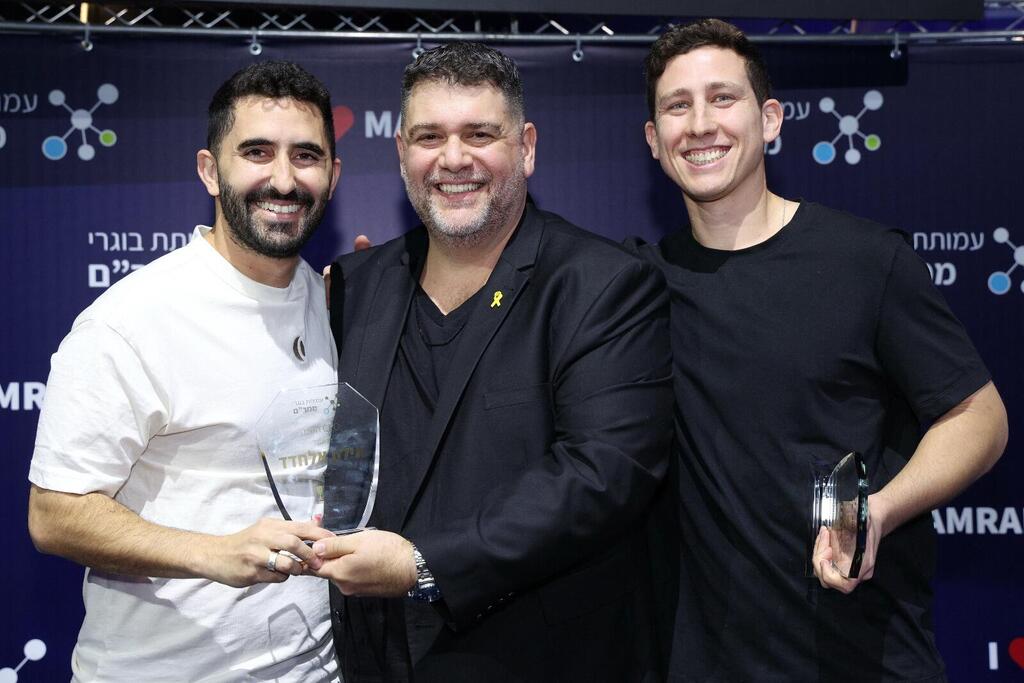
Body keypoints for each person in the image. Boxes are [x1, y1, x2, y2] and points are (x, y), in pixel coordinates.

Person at [637, 19, 1009, 682]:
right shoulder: (632, 288)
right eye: (677, 105)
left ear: (771, 119)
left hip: (865, 657)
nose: (700, 123)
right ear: (654, 142)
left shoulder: (867, 261)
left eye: (723, 98)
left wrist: (879, 512)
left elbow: (980, 418)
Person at [313, 42, 673, 681]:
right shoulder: (355, 284)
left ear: (526, 147)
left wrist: (426, 564)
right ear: (401, 153)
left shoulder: (602, 283)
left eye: (480, 134)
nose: (454, 158)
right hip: (374, 657)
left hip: (537, 659)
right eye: (430, 136)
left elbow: (602, 475)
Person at [27, 61, 343, 681]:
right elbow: (54, 513)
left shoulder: (335, 301)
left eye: (305, 156)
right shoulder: (132, 320)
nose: (283, 178)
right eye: (257, 152)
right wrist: (214, 553)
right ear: (209, 170)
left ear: (331, 176)